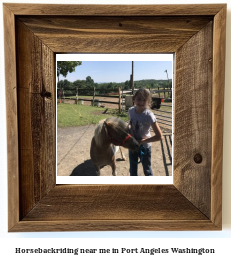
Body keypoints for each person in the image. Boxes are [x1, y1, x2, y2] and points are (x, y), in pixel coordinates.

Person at [128, 88, 163, 176]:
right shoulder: (131, 111)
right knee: (133, 170)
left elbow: (159, 136)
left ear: (148, 101)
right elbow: (131, 122)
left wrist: (141, 142)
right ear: (134, 99)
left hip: (145, 147)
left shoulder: (149, 116)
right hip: (132, 145)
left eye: (144, 100)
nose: (141, 102)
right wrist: (128, 127)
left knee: (147, 170)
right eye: (139, 99)